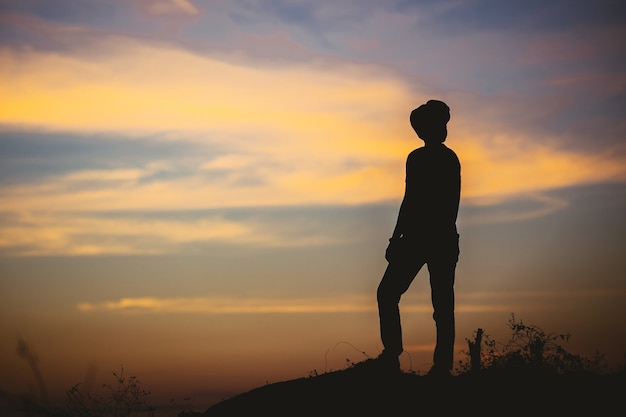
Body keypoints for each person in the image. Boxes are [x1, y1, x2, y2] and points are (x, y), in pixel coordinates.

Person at [375, 99, 461, 377]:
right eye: (437, 125)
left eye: (442, 124)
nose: (441, 130)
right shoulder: (416, 158)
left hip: (437, 239)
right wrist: (395, 237)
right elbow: (409, 200)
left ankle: (441, 367)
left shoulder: (448, 159)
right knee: (388, 294)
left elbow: (448, 205)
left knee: (442, 305)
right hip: (421, 239)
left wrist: (405, 237)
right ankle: (392, 355)